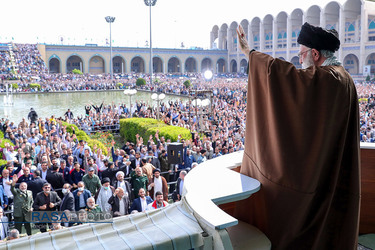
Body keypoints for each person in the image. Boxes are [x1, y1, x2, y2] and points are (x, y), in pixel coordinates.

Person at [234, 23, 360, 250]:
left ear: (315, 54)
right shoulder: (345, 78)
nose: (299, 60)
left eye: (301, 54)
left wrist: (249, 53)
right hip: (331, 170)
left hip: (320, 177)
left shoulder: (328, 79)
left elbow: (287, 78)